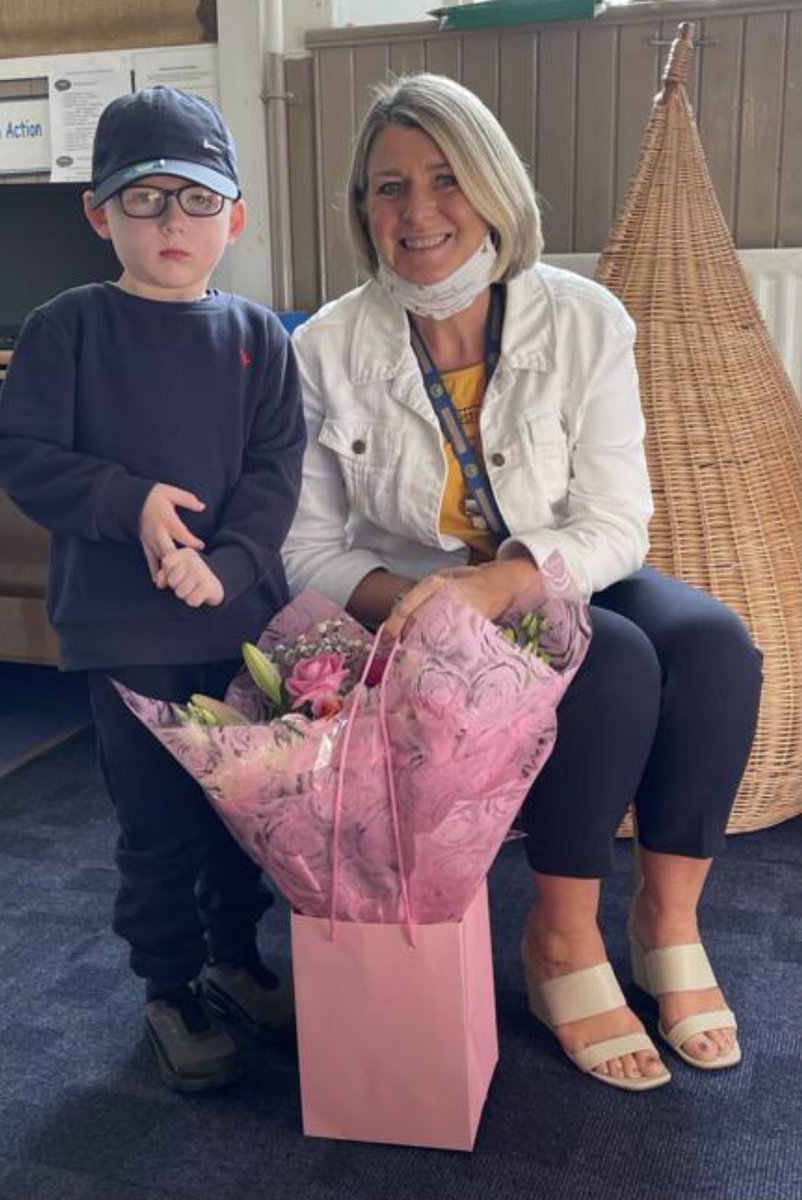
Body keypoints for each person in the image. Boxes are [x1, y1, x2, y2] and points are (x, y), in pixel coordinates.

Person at [282, 73, 762, 1091]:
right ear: (362, 210)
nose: (418, 211)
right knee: (615, 660)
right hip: (413, 602)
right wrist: (423, 602)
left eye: (446, 178)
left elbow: (619, 521)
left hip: (550, 570)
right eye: (388, 187)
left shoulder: (586, 320)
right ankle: (561, 937)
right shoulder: (323, 348)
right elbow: (308, 549)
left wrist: (506, 585)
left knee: (717, 646)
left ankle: (667, 925)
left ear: (495, 186)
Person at [0, 85, 306, 1093]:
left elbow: (274, 474)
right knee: (159, 825)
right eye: (145, 199)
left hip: (240, 625)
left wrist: (231, 564)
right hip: (124, 634)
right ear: (99, 214)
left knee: (240, 815)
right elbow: (18, 451)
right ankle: (168, 986)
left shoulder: (260, 335)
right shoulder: (66, 326)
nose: (173, 222)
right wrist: (127, 504)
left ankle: (233, 959)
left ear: (235, 218)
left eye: (197, 200)